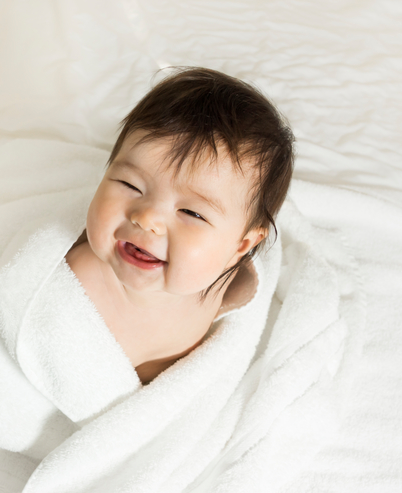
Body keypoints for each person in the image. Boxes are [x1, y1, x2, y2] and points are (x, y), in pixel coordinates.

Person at [66, 67, 294, 383]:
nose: (147, 218)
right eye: (130, 185)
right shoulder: (76, 284)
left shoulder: (217, 285)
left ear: (240, 247)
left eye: (192, 213)